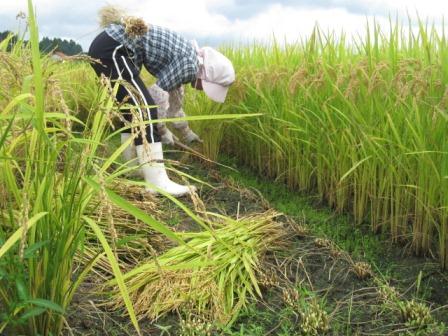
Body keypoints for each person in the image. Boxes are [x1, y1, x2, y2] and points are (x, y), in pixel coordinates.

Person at [88, 6, 235, 197]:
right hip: (113, 49)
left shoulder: (189, 62)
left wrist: (187, 134)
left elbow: (175, 105)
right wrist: (162, 131)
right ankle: (157, 182)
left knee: (132, 113)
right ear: (207, 75)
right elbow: (157, 95)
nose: (202, 90)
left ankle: (132, 168)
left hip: (108, 47)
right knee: (144, 109)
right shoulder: (190, 64)